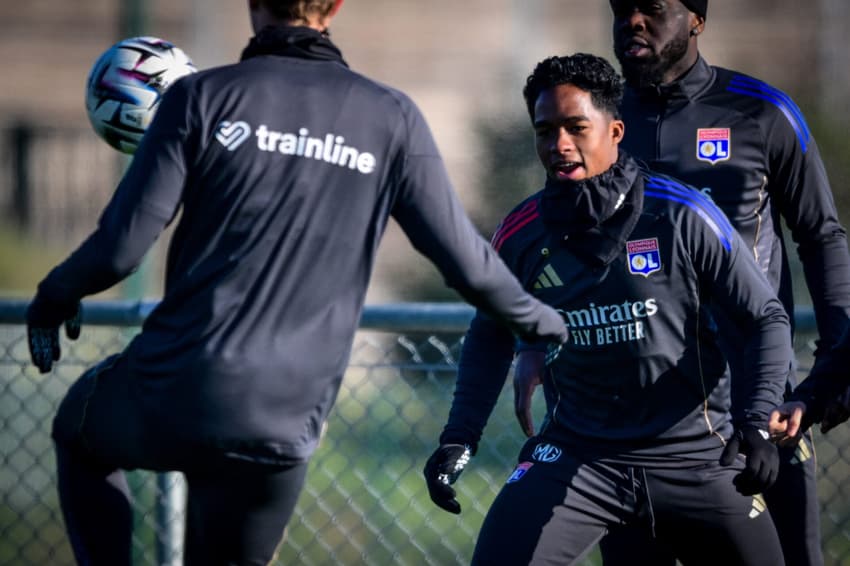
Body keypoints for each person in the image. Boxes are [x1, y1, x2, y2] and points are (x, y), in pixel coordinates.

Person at [24, 1, 570, 564]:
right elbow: (468, 264)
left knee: (78, 427)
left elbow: (119, 250)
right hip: (286, 416)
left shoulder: (200, 97)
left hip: (177, 388)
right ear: (334, 7)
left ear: (253, 5)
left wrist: (53, 296)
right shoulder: (391, 116)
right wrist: (547, 322)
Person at [511, 1, 850, 563]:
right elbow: (556, 242)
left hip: (755, 408)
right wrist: (529, 342)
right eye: (622, 7)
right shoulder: (592, 119)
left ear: (696, 17)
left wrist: (830, 376)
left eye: (653, 7)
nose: (633, 20)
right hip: (635, 427)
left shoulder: (762, 113)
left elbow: (821, 237)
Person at [424, 52, 792, 565]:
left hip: (696, 458)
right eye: (545, 131)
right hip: (580, 458)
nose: (559, 145)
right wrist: (458, 437)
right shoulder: (521, 232)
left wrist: (755, 423)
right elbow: (491, 332)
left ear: (615, 131)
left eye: (576, 127)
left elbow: (765, 318)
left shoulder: (682, 214)